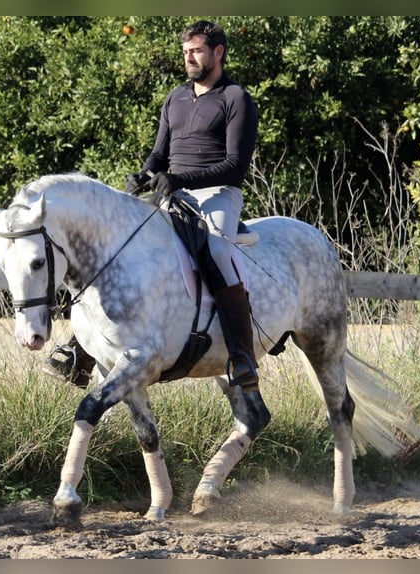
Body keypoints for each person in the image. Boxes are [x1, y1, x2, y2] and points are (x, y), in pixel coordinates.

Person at [44, 19, 259, 390]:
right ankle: (81, 350)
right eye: (186, 52)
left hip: (218, 195)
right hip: (172, 194)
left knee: (219, 252)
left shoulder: (235, 98)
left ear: (218, 52)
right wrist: (144, 175)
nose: (189, 58)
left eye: (197, 51)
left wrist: (180, 179)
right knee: (122, 246)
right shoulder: (175, 97)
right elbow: (159, 154)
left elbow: (235, 166)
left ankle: (242, 355)